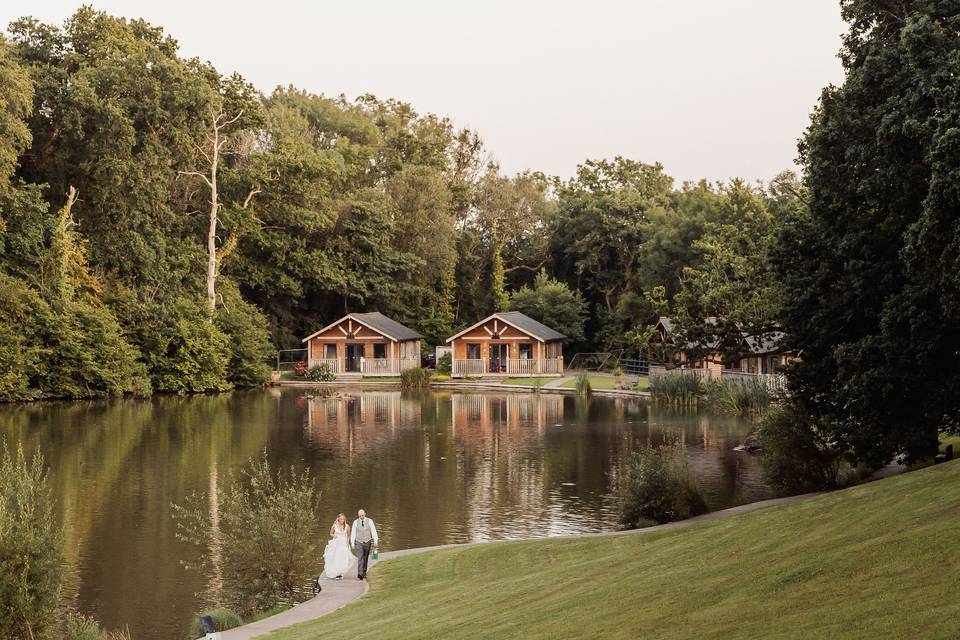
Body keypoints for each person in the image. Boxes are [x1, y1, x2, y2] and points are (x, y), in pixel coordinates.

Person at [322, 513, 355, 580]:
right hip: (336, 544)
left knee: (343, 558)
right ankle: (336, 572)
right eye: (340, 519)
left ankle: (340, 573)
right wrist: (334, 536)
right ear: (338, 519)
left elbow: (348, 535)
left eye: (343, 519)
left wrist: (347, 542)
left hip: (343, 544)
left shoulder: (347, 526)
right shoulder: (334, 526)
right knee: (336, 558)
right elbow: (331, 533)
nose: (342, 520)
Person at [350, 508, 379, 580]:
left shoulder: (370, 521)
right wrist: (352, 543)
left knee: (365, 558)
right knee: (360, 557)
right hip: (358, 542)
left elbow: (373, 531)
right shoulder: (355, 522)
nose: (361, 517)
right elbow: (353, 533)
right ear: (358, 515)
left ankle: (364, 572)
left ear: (365, 514)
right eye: (360, 516)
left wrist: (375, 541)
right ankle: (360, 573)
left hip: (367, 541)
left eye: (362, 515)